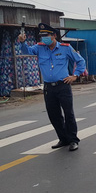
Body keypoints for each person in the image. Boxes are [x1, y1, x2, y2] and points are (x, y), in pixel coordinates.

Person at [18, 23, 86, 151]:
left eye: (46, 35)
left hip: (63, 86)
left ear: (54, 35)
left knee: (68, 113)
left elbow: (80, 61)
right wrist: (22, 42)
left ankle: (73, 140)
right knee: (53, 114)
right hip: (49, 87)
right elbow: (26, 51)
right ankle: (63, 139)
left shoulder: (65, 48)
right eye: (42, 35)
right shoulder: (39, 48)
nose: (44, 38)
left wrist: (75, 75)